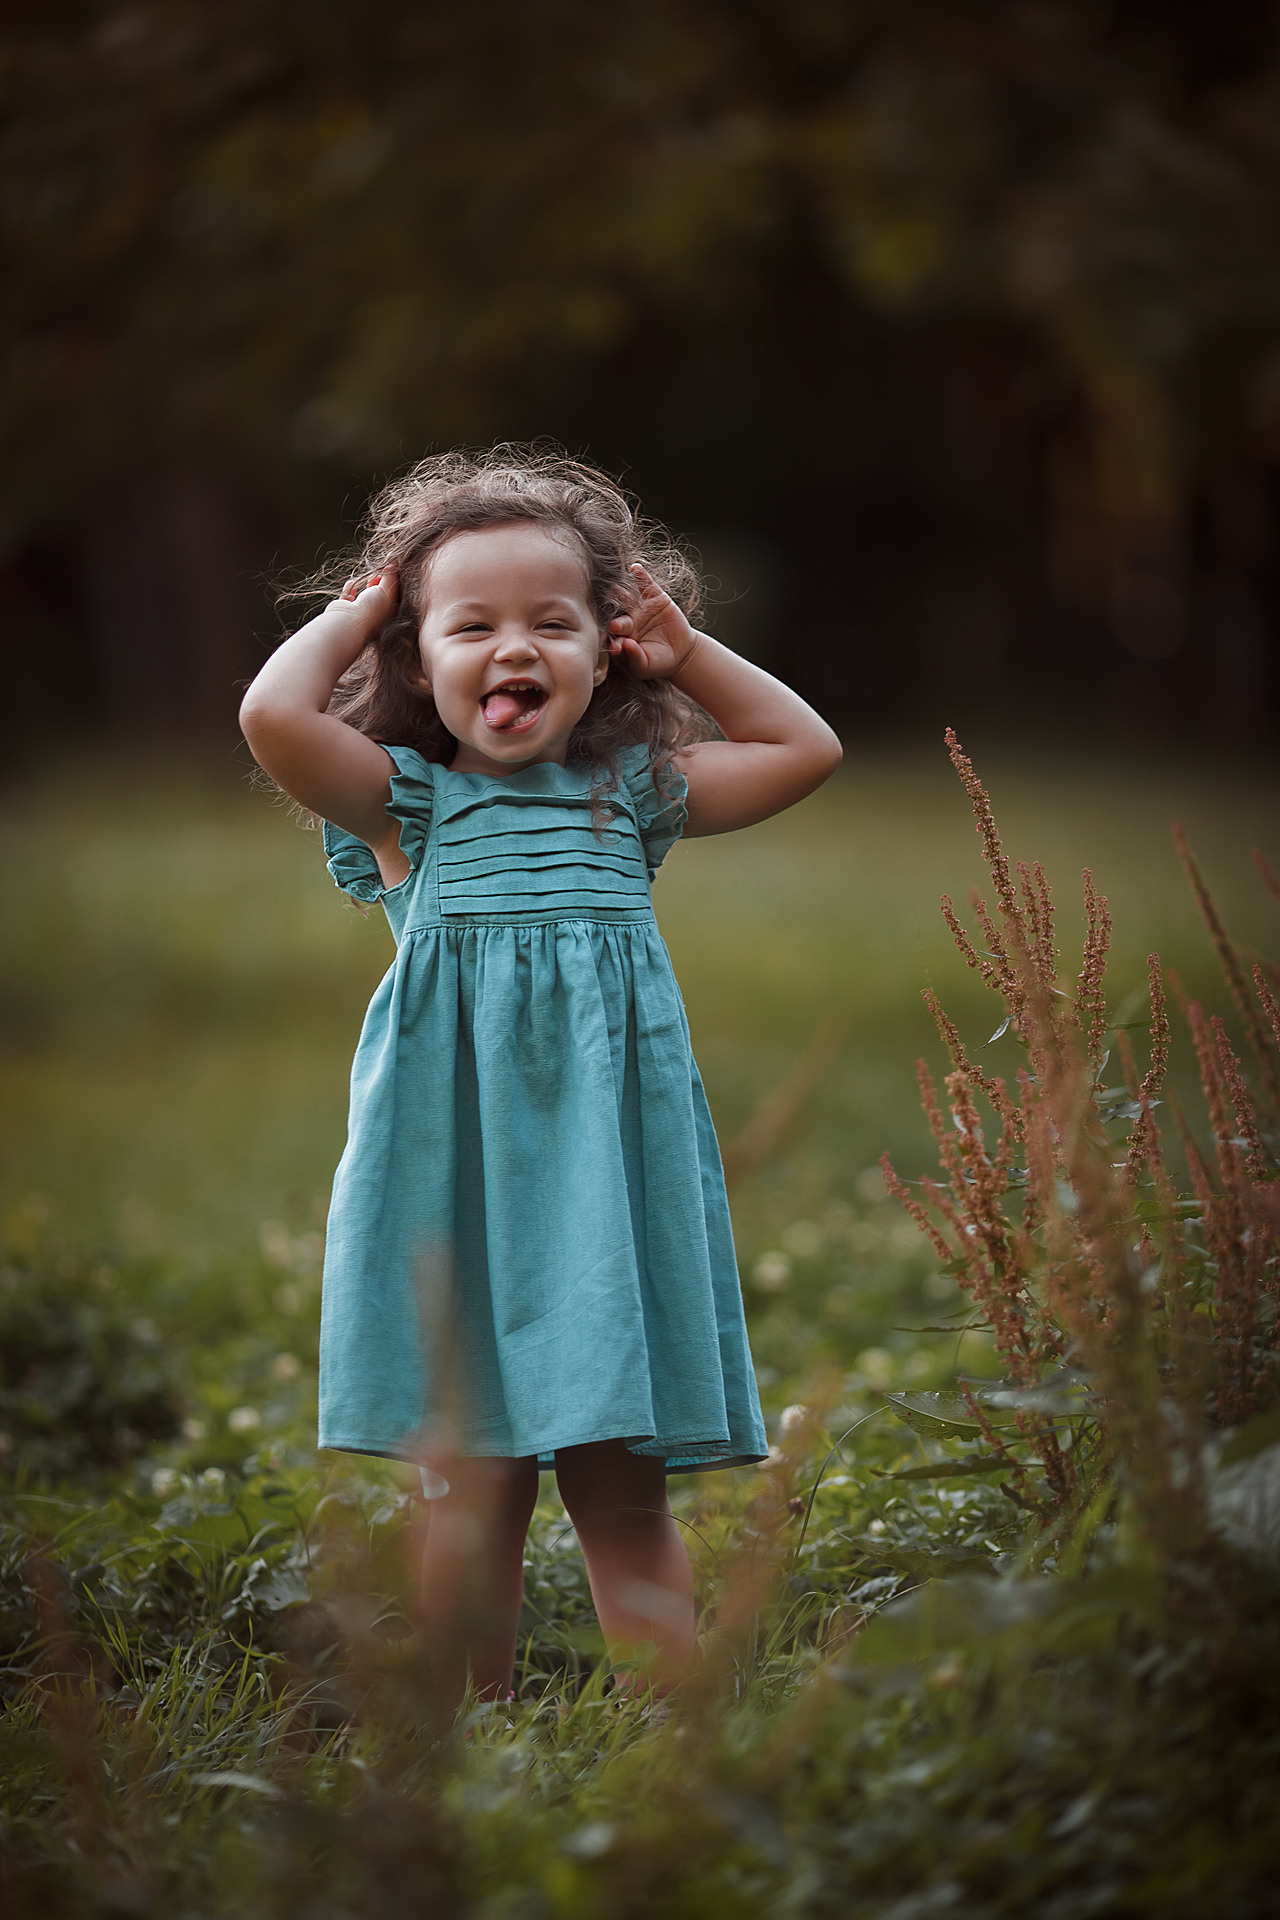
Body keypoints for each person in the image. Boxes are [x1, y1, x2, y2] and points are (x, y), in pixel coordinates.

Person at [239, 448, 841, 1709]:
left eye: (552, 623)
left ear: (606, 652)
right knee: (468, 1483)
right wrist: (352, 617)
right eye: (470, 625)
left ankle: (661, 1727)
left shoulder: (631, 802)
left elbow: (802, 746)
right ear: (416, 662)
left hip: (604, 1202)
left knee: (617, 1478)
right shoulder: (405, 811)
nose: (513, 648)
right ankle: (474, 1731)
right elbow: (271, 720)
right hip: (454, 1190)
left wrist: (695, 657)